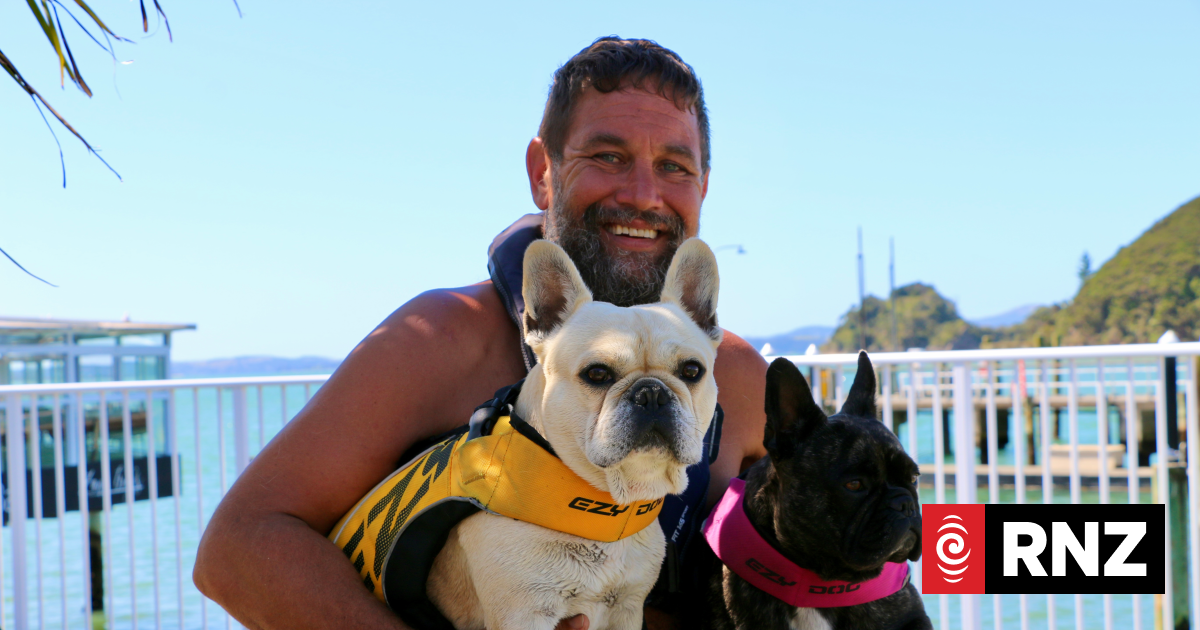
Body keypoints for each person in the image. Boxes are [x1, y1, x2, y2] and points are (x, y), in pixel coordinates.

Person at [194, 36, 769, 630]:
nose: (643, 194)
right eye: (608, 156)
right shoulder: (437, 341)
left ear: (702, 186)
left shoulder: (741, 379)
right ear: (542, 174)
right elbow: (236, 548)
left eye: (674, 167)